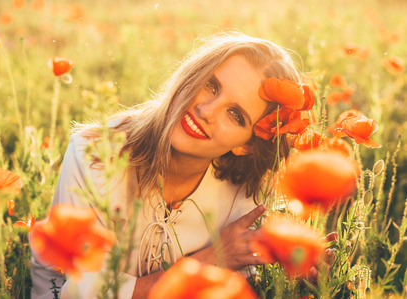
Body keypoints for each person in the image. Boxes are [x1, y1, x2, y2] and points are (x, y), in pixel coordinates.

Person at [30, 31, 302, 299]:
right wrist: (213, 258)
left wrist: (298, 267)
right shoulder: (93, 157)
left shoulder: (248, 193)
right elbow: (81, 291)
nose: (206, 111)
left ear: (247, 144)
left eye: (235, 115)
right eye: (211, 85)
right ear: (191, 76)